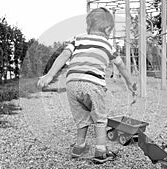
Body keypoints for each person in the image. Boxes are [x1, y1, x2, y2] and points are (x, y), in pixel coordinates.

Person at [37, 7, 136, 164]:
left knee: (82, 118)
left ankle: (79, 147)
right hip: (93, 84)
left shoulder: (78, 39)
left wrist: (50, 75)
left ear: (88, 26)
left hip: (72, 83)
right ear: (109, 28)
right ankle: (101, 151)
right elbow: (121, 66)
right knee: (100, 118)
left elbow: (64, 55)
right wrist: (130, 83)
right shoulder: (108, 45)